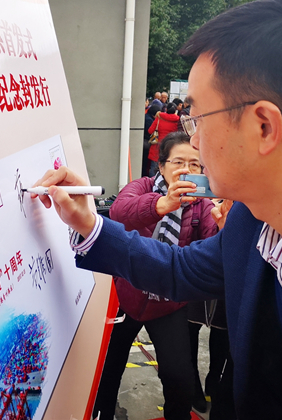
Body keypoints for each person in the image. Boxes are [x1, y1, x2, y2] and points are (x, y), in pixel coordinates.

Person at [33, 0, 282, 419]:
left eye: (197, 118)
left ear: (263, 126)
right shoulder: (256, 211)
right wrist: (87, 222)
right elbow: (180, 269)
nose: (193, 142)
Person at [93, 132, 218, 420]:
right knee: (108, 370)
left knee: (179, 378)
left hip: (168, 302)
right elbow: (119, 211)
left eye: (195, 164)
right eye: (178, 162)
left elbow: (212, 238)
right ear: (161, 165)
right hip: (125, 296)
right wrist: (163, 204)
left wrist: (225, 221)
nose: (186, 169)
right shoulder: (143, 187)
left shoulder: (202, 204)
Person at [148, 103, 180, 176]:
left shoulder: (159, 118)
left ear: (166, 109)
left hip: (157, 146)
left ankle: (153, 182)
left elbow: (150, 130)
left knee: (154, 167)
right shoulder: (177, 120)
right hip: (170, 146)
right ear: (175, 111)